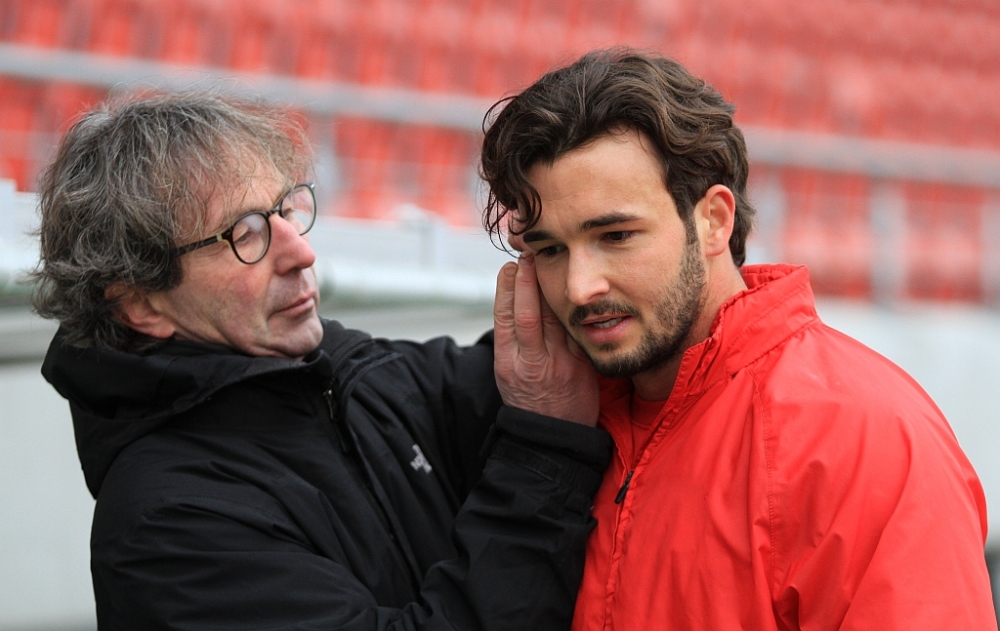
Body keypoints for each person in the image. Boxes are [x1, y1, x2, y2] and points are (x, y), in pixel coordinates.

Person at [31, 90, 612, 630]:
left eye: (286, 210)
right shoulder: (166, 529)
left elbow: (514, 376)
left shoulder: (346, 372)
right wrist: (545, 449)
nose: (301, 252)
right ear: (140, 304)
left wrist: (566, 249)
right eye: (244, 234)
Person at [481, 48, 997, 630]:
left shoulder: (863, 435)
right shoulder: (556, 415)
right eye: (551, 249)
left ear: (714, 221)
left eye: (616, 235)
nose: (579, 287)